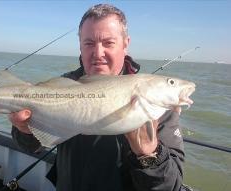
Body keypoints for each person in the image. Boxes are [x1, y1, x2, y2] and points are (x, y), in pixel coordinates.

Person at [10, 4, 186, 191]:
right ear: (80, 46)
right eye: (89, 43)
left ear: (125, 44)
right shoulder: (62, 84)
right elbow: (32, 146)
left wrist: (149, 155)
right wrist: (25, 131)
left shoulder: (156, 102)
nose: (98, 53)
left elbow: (170, 186)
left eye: (108, 43)